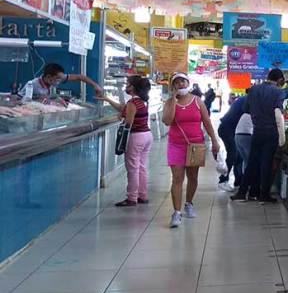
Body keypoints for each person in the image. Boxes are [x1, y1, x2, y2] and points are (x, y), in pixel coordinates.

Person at [163, 73, 220, 228]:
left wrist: (214, 141)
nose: (180, 84)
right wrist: (173, 101)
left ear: (188, 83)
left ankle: (189, 203)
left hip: (196, 144)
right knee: (177, 178)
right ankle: (176, 212)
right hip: (176, 145)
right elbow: (167, 121)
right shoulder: (170, 102)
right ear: (173, 86)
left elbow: (207, 122)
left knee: (193, 177)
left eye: (183, 81)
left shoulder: (197, 101)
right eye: (177, 82)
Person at [231, 69, 287, 204]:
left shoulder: (253, 89)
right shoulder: (279, 92)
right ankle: (264, 195)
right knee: (266, 163)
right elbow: (278, 111)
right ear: (280, 80)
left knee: (251, 162)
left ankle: (242, 193)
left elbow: (245, 109)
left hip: (257, 131)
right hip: (271, 131)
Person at [99, 76, 153, 207]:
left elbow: (129, 121)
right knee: (142, 167)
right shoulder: (142, 101)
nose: (126, 87)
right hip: (147, 135)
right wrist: (107, 99)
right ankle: (142, 195)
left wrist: (121, 117)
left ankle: (132, 198)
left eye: (127, 84)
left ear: (132, 87)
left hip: (136, 137)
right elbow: (123, 108)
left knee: (133, 168)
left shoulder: (132, 103)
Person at [216, 92, 248, 191]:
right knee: (233, 154)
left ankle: (238, 182)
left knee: (238, 157)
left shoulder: (244, 99)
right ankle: (223, 180)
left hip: (229, 129)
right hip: (227, 130)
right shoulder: (248, 101)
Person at [21, 63, 103, 100]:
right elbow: (18, 99)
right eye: (57, 78)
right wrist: (38, 98)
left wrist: (95, 85)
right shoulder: (32, 84)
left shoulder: (56, 79)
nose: (59, 81)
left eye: (60, 78)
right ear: (49, 77)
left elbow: (79, 77)